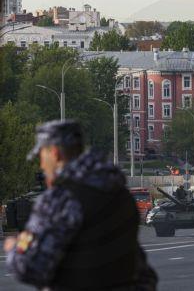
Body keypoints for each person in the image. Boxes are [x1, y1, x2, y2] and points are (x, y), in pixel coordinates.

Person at [4, 120, 157, 290]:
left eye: (42, 155)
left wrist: (14, 248)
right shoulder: (119, 193)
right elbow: (140, 268)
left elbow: (32, 268)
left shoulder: (61, 198)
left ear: (55, 153)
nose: (41, 165)